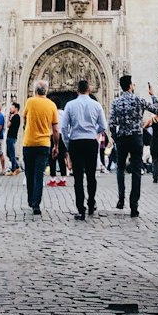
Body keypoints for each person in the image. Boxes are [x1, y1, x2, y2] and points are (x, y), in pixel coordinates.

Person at [60, 79, 108, 220]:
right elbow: (103, 125)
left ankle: (81, 209)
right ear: (89, 90)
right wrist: (94, 132)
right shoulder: (96, 105)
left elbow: (63, 127)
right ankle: (91, 203)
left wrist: (68, 143)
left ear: (77, 91)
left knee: (78, 177)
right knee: (91, 175)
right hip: (90, 141)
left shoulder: (70, 105)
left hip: (76, 141)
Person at [109, 74, 155, 216]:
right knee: (136, 170)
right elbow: (156, 109)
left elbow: (111, 124)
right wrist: (152, 95)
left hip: (122, 138)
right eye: (133, 84)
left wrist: (115, 137)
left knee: (120, 168)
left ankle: (121, 198)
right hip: (136, 138)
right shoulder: (138, 100)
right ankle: (134, 205)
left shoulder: (116, 102)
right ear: (130, 85)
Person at [21, 79, 59, 216]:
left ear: (35, 90)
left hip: (29, 143)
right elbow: (55, 129)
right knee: (39, 175)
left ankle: (31, 200)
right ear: (46, 91)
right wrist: (56, 146)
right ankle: (36, 204)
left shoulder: (30, 102)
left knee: (29, 173)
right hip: (44, 144)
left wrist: (28, 129)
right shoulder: (52, 105)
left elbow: (24, 120)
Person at [6, 102, 22, 174]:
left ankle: (14, 169)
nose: (11, 109)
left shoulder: (15, 117)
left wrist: (9, 116)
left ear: (16, 108)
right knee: (9, 153)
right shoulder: (16, 117)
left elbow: (8, 125)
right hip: (11, 136)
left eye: (12, 107)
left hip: (11, 137)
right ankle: (17, 167)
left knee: (11, 154)